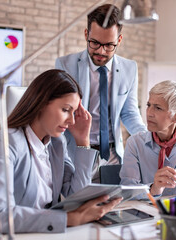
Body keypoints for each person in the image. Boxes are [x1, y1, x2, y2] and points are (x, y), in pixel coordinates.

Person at [0, 69, 122, 234]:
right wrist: (72, 219)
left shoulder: (57, 143)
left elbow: (76, 196)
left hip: (43, 232)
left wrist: (82, 141)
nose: (72, 120)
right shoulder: (6, 142)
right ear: (41, 103)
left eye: (74, 112)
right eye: (66, 110)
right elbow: (0, 217)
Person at [55, 4, 146, 182]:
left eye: (109, 45)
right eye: (95, 43)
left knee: (112, 207)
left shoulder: (130, 68)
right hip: (76, 153)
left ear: (119, 40)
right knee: (80, 206)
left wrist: (147, 139)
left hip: (112, 155)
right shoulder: (65, 65)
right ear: (86, 34)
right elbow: (60, 112)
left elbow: (129, 112)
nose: (101, 51)